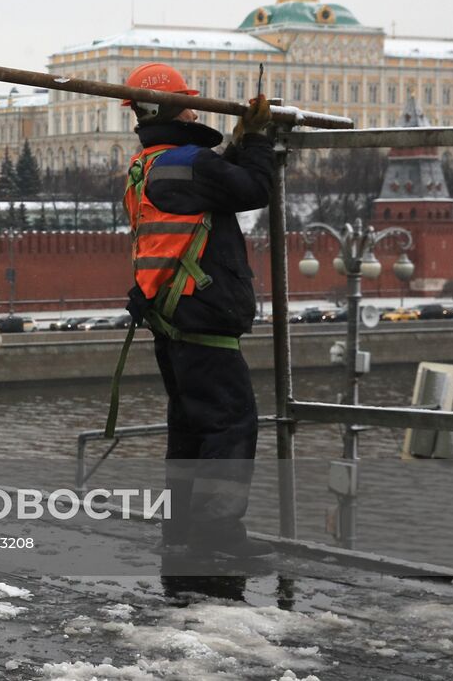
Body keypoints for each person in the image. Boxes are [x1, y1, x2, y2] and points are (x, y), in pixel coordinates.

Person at [118, 61, 274, 560]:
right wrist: (259, 140)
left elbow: (212, 179)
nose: (195, 106)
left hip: (171, 317)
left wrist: (237, 140)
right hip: (201, 314)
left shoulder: (148, 166)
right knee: (230, 424)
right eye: (189, 100)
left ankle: (181, 531)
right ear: (178, 108)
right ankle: (216, 535)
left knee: (189, 430)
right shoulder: (189, 163)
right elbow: (251, 189)